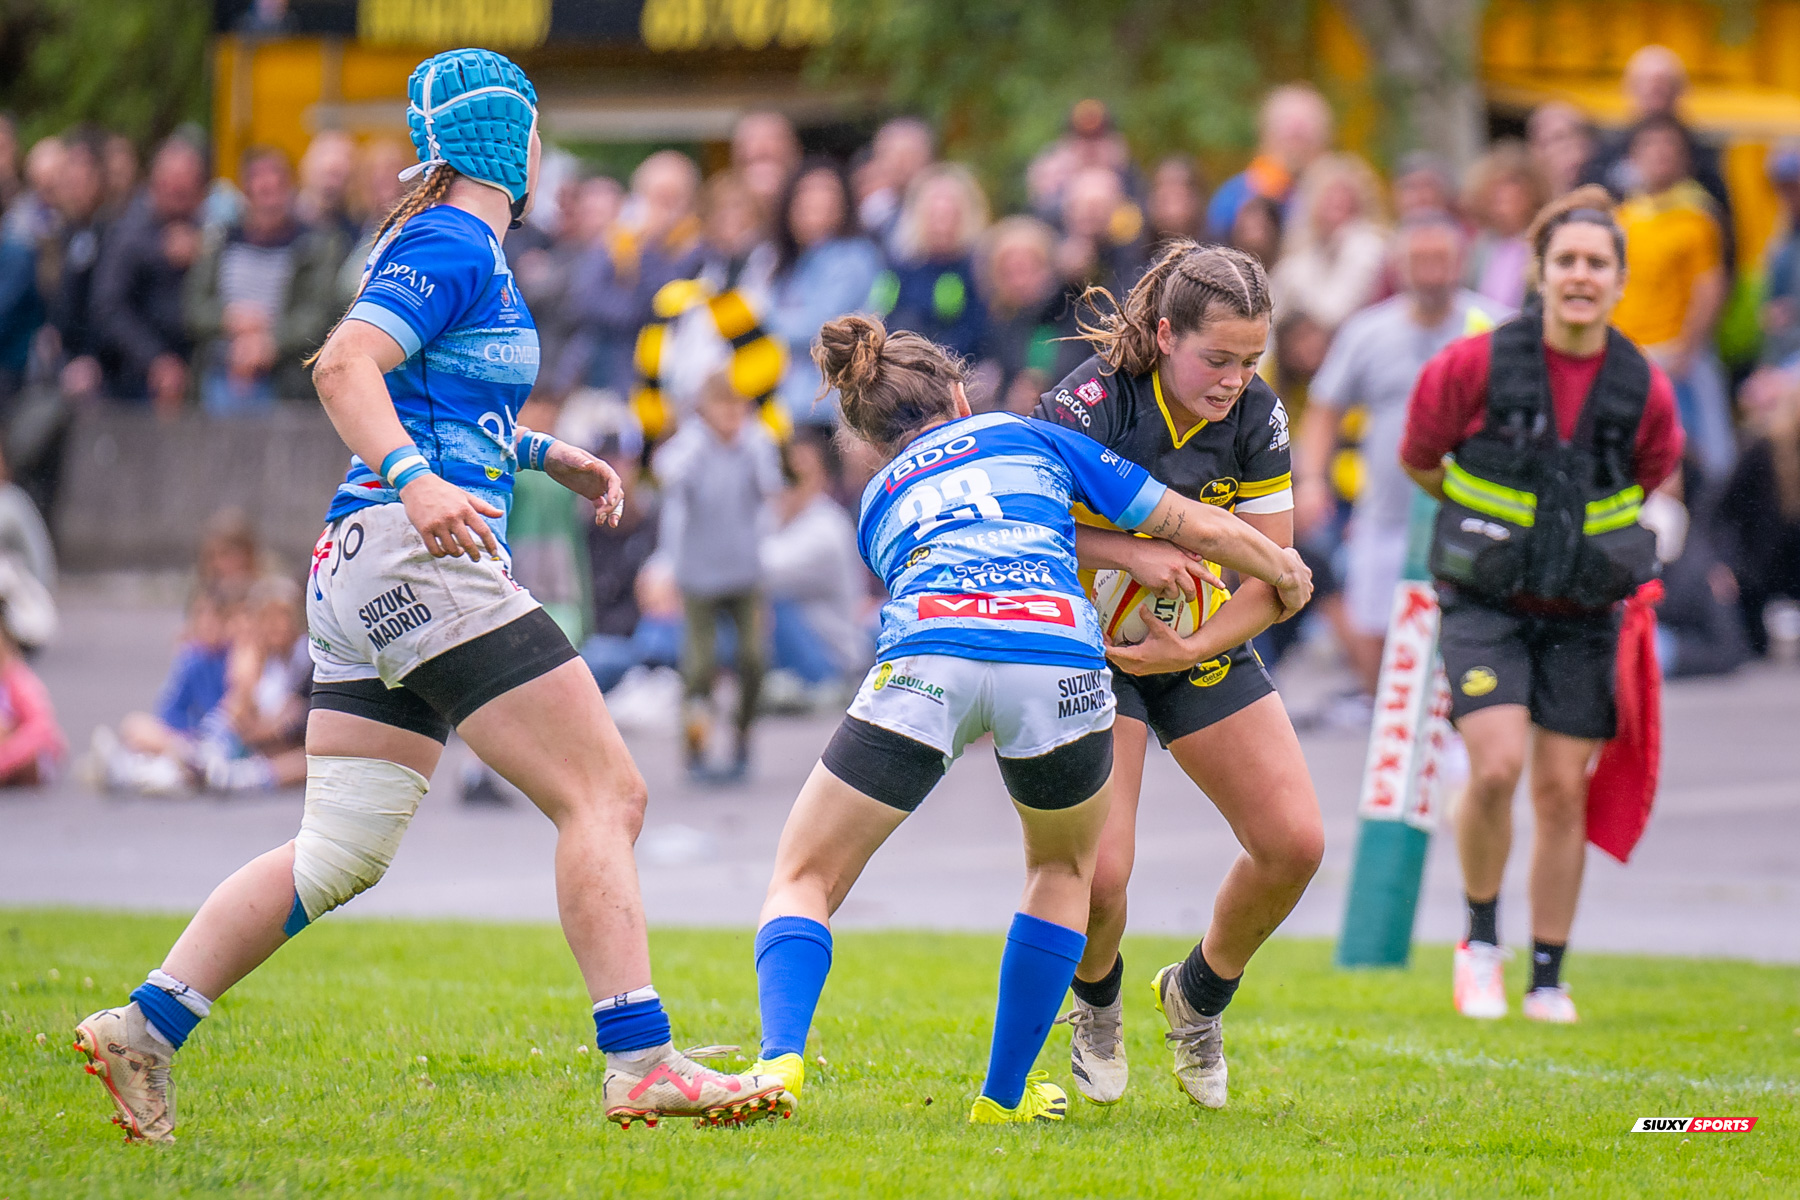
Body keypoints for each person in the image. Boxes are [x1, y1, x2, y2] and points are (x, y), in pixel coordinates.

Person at [73, 49, 789, 1146]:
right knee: (608, 796)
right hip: (414, 557)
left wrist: (544, 453)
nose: (545, 148)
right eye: (537, 128)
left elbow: (438, 390)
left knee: (338, 853)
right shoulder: (457, 235)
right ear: (511, 140)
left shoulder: (460, 242)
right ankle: (641, 1062)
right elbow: (344, 366)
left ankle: (145, 1026)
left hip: (359, 569)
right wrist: (415, 478)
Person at [746, 312, 1312, 1124]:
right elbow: (1193, 524)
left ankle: (779, 1064)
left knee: (804, 875)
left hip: (932, 655)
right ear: (955, 390)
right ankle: (1001, 1099)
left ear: (869, 434)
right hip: (1056, 657)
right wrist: (1284, 572)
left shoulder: (875, 499)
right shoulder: (1022, 433)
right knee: (1062, 873)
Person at [1032, 241, 1324, 1111]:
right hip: (1093, 649)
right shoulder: (1090, 401)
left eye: (1251, 360)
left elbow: (1276, 578)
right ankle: (1096, 1002)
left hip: (1194, 643)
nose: (1235, 378)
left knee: (1293, 845)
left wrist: (1190, 652)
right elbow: (1027, 524)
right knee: (1104, 875)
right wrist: (1132, 552)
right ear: (1164, 334)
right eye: (1217, 358)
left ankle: (1197, 995)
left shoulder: (1258, 415)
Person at [1400, 186, 1684, 1024]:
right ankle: (1479, 944)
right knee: (1496, 766)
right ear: (1541, 271)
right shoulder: (1478, 363)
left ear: (1620, 280)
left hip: (1586, 611)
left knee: (1563, 790)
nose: (1582, 275)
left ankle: (1548, 976)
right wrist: (1490, 526)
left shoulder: (1643, 386)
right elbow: (1420, 456)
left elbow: (1652, 477)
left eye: (1598, 263)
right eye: (1567, 261)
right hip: (1485, 600)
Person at [1297, 216, 1509, 698]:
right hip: (1386, 515)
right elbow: (1324, 408)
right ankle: (1390, 750)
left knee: (1470, 644)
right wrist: (1311, 481)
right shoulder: (1367, 332)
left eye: (1442, 260)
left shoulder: (1494, 327)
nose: (1432, 272)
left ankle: (1455, 746)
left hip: (1473, 514)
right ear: (1400, 267)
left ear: (1462, 263)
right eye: (1420, 261)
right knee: (1374, 644)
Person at [654, 368, 783, 779]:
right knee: (698, 668)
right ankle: (696, 746)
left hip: (745, 571)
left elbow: (770, 494)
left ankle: (743, 734)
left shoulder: (756, 443)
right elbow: (668, 478)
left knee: (753, 659)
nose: (731, 417)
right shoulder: (691, 447)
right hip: (699, 575)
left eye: (737, 407)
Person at [1610, 115, 1733, 479]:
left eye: (1670, 147)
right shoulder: (1622, 217)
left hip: (1679, 355)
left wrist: (1689, 349)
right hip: (1629, 352)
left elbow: (1709, 285)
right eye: (1650, 146)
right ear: (1633, 155)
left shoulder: (1697, 217)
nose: (1660, 154)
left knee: (1709, 455)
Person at [184, 146, 344, 412]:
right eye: (260, 191)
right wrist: (229, 320)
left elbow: (318, 315)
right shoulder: (221, 242)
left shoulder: (315, 245)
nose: (268, 201)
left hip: (283, 372)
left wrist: (269, 344)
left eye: (275, 190)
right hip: (220, 366)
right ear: (246, 193)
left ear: (290, 190)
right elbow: (194, 308)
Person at [1580, 45, 1734, 268]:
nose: (1656, 91)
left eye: (1664, 84)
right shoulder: (1605, 155)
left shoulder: (1702, 158)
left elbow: (1724, 232)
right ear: (1630, 90)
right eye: (1647, 84)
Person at [91, 134, 207, 411]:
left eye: (187, 192)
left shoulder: (208, 230)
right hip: (135, 369)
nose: (180, 199)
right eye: (173, 190)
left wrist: (204, 253)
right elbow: (109, 307)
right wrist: (155, 360)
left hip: (198, 360)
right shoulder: (129, 234)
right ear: (156, 183)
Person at [766, 158, 882, 427]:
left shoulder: (855, 256)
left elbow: (822, 327)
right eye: (806, 198)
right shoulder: (785, 261)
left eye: (826, 197)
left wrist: (759, 326)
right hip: (785, 402)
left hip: (834, 403)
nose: (815, 206)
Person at [760, 427, 871, 702]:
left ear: (821, 477)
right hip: (792, 650)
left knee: (765, 603)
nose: (789, 482)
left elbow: (759, 571)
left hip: (828, 659)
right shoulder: (772, 517)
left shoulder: (827, 528)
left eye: (801, 473)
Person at [870, 162, 989, 362]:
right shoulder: (900, 268)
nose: (942, 226)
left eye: (949, 216)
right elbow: (883, 317)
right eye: (934, 216)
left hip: (956, 367)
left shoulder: (977, 269)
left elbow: (978, 332)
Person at [974, 215, 1082, 414]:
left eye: (1027, 269)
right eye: (1009, 273)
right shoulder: (998, 326)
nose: (1019, 282)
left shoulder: (1074, 314)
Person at [1206, 84, 1333, 241]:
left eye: (1304, 138)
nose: (1296, 147)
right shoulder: (1237, 195)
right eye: (1290, 136)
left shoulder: (1338, 197)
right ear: (1267, 134)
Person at [1462, 140, 1548, 312]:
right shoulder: (1481, 247)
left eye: (1515, 197)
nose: (1504, 205)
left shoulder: (1542, 243)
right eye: (1497, 199)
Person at [856, 116, 936, 252]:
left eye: (909, 155)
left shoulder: (941, 209)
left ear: (928, 158)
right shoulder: (874, 211)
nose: (899, 164)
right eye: (891, 155)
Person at [1527, 101, 1595, 200]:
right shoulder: (1524, 201)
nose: (1574, 148)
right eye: (1559, 138)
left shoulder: (1605, 194)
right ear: (1535, 149)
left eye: (1580, 136)